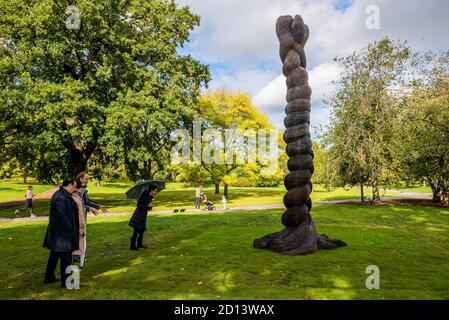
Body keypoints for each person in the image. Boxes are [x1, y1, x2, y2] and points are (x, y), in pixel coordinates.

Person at [43, 177, 79, 288]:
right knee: (66, 257)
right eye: (74, 186)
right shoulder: (61, 197)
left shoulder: (63, 195)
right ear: (70, 185)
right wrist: (70, 229)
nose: (75, 188)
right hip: (62, 234)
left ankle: (49, 277)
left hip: (59, 233)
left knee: (55, 255)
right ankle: (67, 282)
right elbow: (61, 216)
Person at [128, 185, 158, 250]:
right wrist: (147, 205)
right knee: (136, 230)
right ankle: (132, 246)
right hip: (138, 215)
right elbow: (138, 205)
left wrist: (150, 207)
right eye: (156, 191)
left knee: (142, 229)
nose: (156, 192)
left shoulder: (150, 197)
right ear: (151, 190)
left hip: (143, 215)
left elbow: (148, 208)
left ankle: (139, 244)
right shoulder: (144, 195)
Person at [72, 183, 87, 268]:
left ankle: (76, 257)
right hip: (77, 224)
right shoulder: (75, 198)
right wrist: (82, 226)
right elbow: (80, 212)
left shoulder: (77, 196)